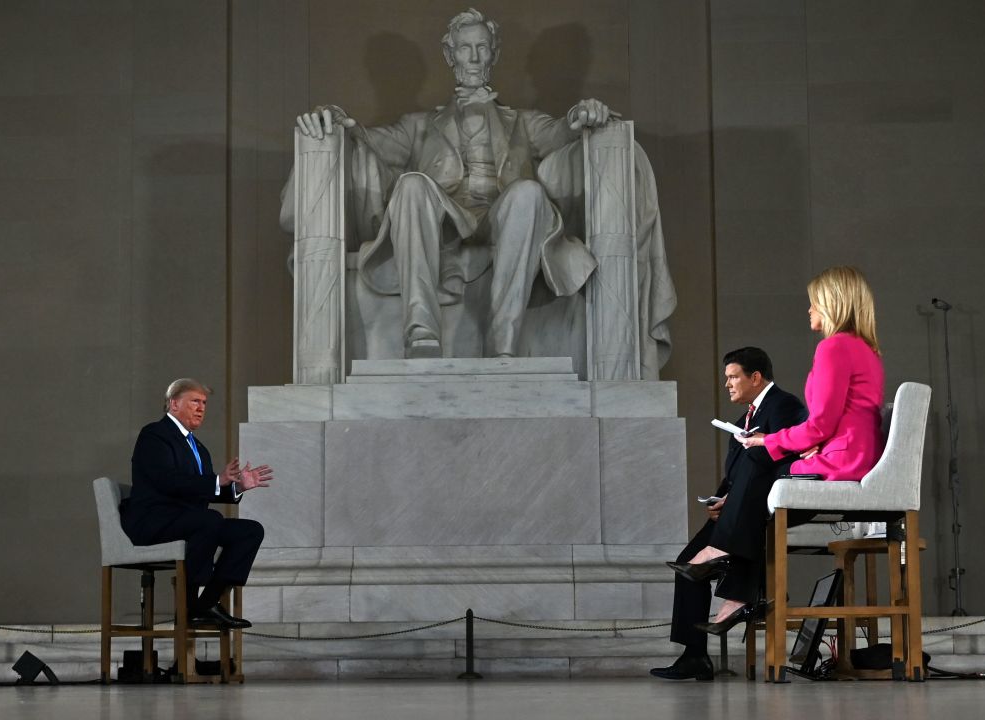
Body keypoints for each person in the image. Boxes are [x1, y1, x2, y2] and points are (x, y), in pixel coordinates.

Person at [288, 8, 675, 364]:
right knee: (411, 185)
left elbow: (561, 133)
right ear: (449, 56)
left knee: (528, 192)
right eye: (464, 49)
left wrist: (581, 113)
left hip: (503, 217)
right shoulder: (420, 125)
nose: (473, 57)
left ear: (493, 54)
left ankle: (503, 338)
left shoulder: (522, 121)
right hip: (443, 224)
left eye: (481, 48)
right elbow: (368, 139)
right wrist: (336, 119)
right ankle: (421, 330)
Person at [650, 347, 806, 681]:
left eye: (734, 377)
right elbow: (736, 474)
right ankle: (694, 656)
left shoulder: (786, 405)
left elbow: (783, 456)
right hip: (735, 508)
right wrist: (721, 497)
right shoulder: (742, 419)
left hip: (765, 508)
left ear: (755, 377)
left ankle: (746, 595)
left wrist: (735, 496)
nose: (728, 384)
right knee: (688, 563)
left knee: (712, 556)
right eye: (726, 378)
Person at [120, 379, 273, 629]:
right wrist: (217, 480)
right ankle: (190, 602)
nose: (201, 408)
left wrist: (237, 487)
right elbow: (166, 481)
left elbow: (204, 490)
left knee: (250, 531)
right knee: (210, 520)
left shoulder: (198, 448)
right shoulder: (155, 434)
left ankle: (207, 602)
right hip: (153, 521)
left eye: (204, 403)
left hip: (191, 522)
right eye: (194, 401)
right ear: (174, 403)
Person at [737, 266, 885, 480]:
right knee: (763, 464)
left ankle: (728, 512)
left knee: (758, 461)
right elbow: (845, 417)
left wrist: (767, 439)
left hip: (843, 461)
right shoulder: (868, 351)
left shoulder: (834, 347)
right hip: (863, 456)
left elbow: (821, 424)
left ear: (832, 303)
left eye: (815, 302)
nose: (809, 309)